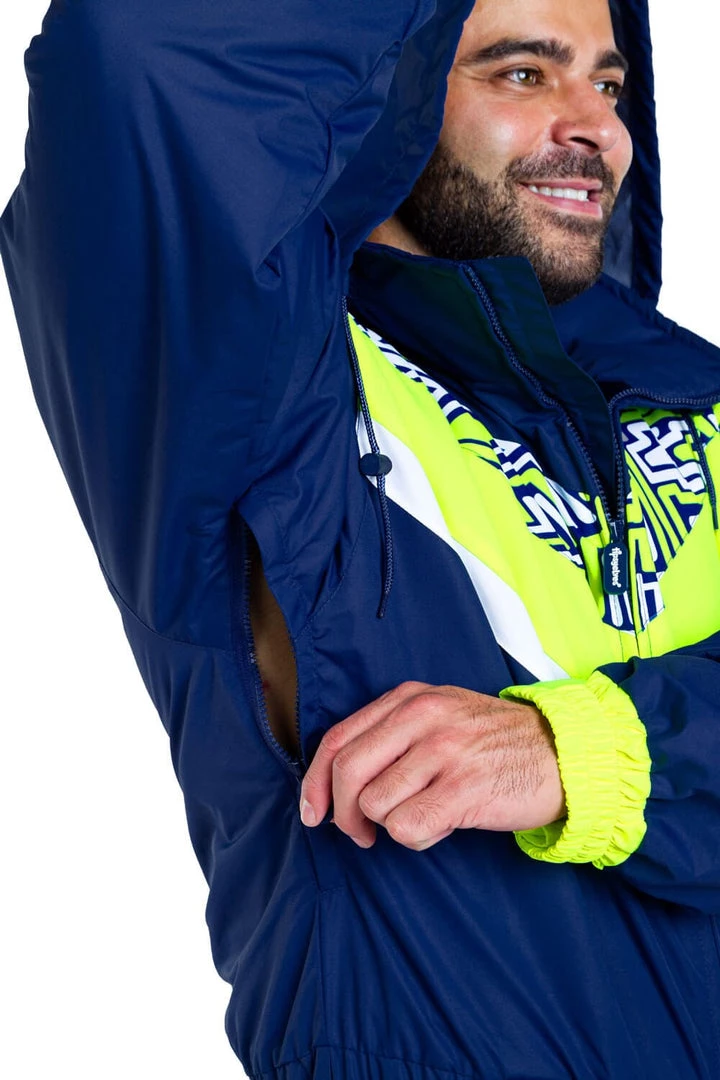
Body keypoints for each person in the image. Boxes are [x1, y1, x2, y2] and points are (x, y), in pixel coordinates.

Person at [2, 1, 720, 1078]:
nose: (599, 127)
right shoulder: (255, 397)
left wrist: (586, 752)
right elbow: (141, 55)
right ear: (393, 86)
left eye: (609, 85)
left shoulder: (692, 396)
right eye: (523, 74)